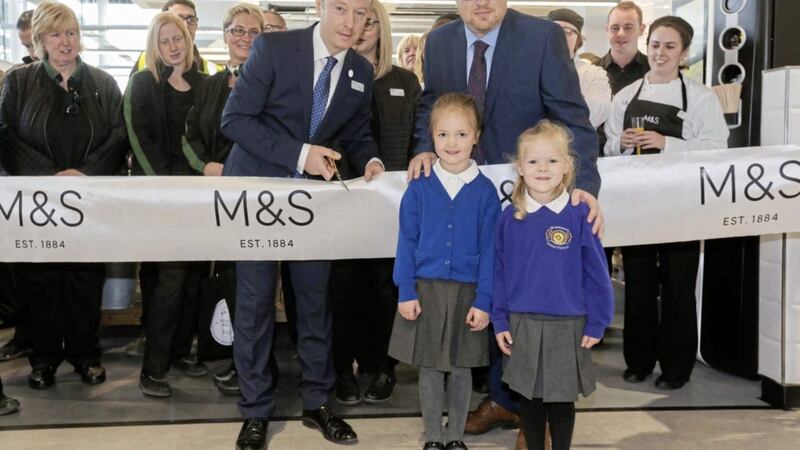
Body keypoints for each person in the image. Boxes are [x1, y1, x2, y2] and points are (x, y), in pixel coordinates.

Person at [407, 0, 603, 439]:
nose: (481, 3)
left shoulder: (542, 38)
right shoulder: (438, 42)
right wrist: (424, 145)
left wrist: (584, 182)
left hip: (527, 196)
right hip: (464, 199)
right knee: (479, 292)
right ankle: (503, 398)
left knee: (521, 298)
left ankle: (523, 405)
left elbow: (571, 116)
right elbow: (430, 108)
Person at [220, 0, 384, 447]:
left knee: (314, 302)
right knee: (253, 305)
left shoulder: (359, 71)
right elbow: (234, 120)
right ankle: (255, 410)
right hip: (255, 194)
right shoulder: (274, 49)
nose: (351, 23)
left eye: (361, 13)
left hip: (313, 203)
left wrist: (370, 159)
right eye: (341, 9)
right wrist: (300, 154)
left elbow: (356, 132)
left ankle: (318, 401)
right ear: (320, 6)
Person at [0, 1, 127, 389]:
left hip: (88, 198)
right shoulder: (19, 82)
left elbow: (118, 135)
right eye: (56, 34)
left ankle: (86, 355)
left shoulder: (104, 83)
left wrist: (83, 172)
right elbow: (5, 133)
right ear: (40, 40)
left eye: (70, 32)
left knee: (85, 279)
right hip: (38, 200)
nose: (65, 41)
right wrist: (49, 175)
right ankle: (43, 358)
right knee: (40, 281)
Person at [604, 16, 729, 390]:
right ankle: (638, 362)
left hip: (682, 206)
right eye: (656, 44)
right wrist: (621, 143)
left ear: (684, 53)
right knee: (639, 284)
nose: (660, 53)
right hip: (638, 204)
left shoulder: (701, 97)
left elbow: (718, 150)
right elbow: (609, 146)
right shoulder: (625, 96)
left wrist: (668, 143)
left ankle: (677, 368)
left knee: (678, 286)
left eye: (670, 46)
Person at [493, 120, 614, 450]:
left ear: (567, 166)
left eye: (551, 161)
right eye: (533, 161)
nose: (542, 169)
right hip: (522, 324)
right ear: (519, 167)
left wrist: (599, 319)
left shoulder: (578, 214)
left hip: (568, 324)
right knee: (529, 401)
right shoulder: (510, 218)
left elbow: (596, 272)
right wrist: (500, 319)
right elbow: (499, 273)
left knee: (561, 402)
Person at [389, 93, 500, 450]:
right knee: (430, 367)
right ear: (432, 136)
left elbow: (490, 252)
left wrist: (485, 300)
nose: (452, 143)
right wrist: (406, 290)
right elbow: (406, 242)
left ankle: (455, 436)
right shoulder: (419, 187)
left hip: (469, 292)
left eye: (462, 134)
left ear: (477, 136)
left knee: (463, 367)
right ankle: (433, 436)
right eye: (443, 134)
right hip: (426, 290)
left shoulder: (485, 192)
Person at [330, 0, 421, 407]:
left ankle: (382, 367)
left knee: (388, 287)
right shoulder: (332, 78)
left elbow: (421, 136)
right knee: (343, 287)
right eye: (355, 20)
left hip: (394, 204)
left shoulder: (405, 81)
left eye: (369, 21)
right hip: (341, 201)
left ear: (381, 28)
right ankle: (340, 370)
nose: (361, 27)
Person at [183, 2, 265, 397]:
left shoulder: (274, 82)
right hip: (217, 196)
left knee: (254, 286)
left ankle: (253, 366)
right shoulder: (209, 85)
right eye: (237, 30)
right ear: (225, 34)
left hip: (258, 198)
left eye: (253, 32)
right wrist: (205, 166)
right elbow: (190, 136)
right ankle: (232, 357)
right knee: (228, 281)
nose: (245, 38)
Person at [124, 11, 208, 397]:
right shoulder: (142, 83)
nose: (173, 46)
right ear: (154, 46)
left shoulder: (204, 84)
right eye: (164, 41)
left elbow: (205, 137)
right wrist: (166, 190)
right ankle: (153, 367)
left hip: (197, 196)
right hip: (159, 196)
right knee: (170, 281)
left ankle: (179, 352)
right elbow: (139, 141)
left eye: (178, 39)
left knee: (193, 280)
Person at [0, 9, 39, 365]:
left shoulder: (92, 82)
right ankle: (28, 340)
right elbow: (7, 135)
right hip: (21, 192)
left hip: (42, 191)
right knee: (26, 274)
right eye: (28, 42)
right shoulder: (16, 79)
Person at [547, 8, 611, 128]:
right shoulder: (532, 70)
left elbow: (596, 113)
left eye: (567, 32)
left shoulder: (595, 74)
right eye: (554, 31)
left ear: (578, 39)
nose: (559, 36)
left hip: (578, 143)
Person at [130, 0, 222, 76]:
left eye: (191, 20)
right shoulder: (144, 61)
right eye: (178, 19)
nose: (185, 26)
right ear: (162, 25)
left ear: (196, 25)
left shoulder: (213, 71)